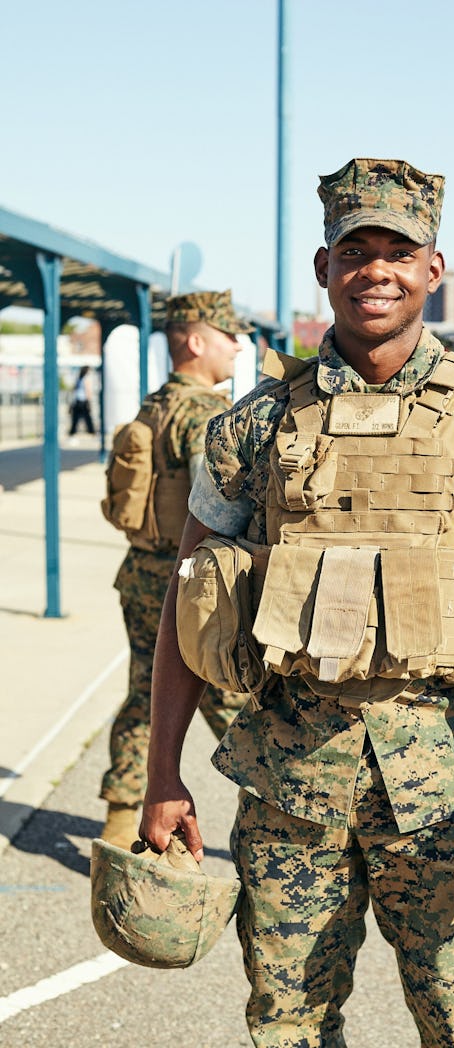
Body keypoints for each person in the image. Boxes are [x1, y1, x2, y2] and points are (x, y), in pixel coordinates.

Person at [142, 160, 454, 1045]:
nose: (377, 270)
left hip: (448, 797)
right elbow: (187, 600)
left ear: (432, 270)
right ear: (324, 267)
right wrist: (160, 770)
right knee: (286, 1029)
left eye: (398, 251)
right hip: (290, 794)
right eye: (355, 250)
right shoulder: (253, 428)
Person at [99, 290, 253, 850]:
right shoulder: (208, 416)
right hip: (189, 586)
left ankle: (120, 815)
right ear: (195, 340)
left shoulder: (153, 404)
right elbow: (210, 514)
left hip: (138, 574)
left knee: (146, 689)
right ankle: (270, 821)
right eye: (227, 335)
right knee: (233, 698)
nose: (238, 346)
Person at [69, 365, 95, 434]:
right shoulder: (86, 378)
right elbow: (88, 390)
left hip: (77, 400)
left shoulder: (79, 378)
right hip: (84, 401)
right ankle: (91, 431)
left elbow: (74, 389)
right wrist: (89, 401)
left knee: (75, 418)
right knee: (87, 418)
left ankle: (72, 432)